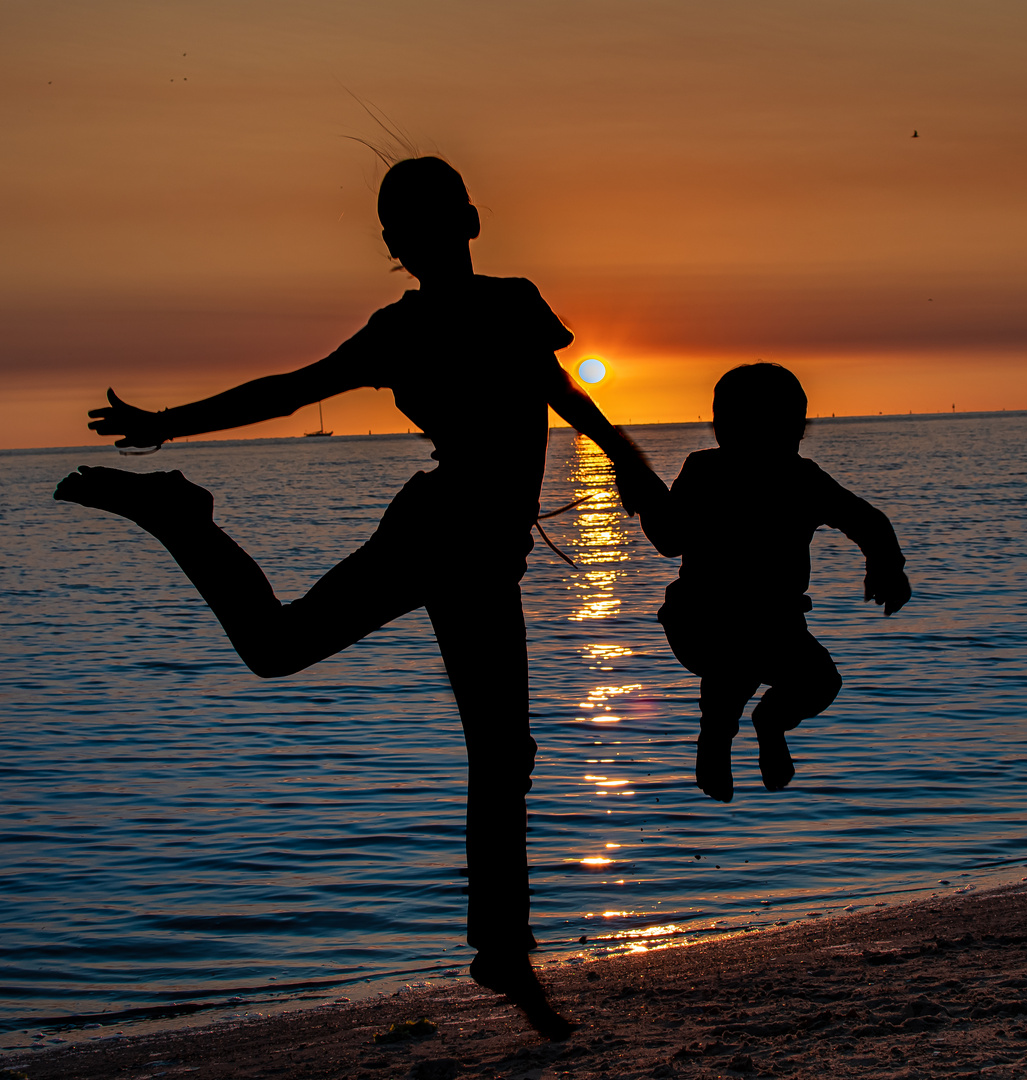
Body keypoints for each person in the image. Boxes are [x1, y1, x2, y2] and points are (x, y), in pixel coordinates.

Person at [54, 156, 657, 1038]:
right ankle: (179, 514)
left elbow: (561, 396)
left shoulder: (494, 307)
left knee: (339, 675)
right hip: (450, 534)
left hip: (471, 544)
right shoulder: (435, 320)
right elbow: (293, 392)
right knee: (476, 737)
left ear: (424, 234)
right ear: (464, 222)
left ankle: (501, 948)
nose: (418, 237)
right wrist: (166, 422)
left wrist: (635, 476)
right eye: (417, 224)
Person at [637, 362, 911, 804]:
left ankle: (770, 722)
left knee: (821, 682)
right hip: (701, 620)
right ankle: (716, 738)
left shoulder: (802, 479)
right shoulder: (707, 472)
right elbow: (671, 539)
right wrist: (649, 502)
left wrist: (887, 566)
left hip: (778, 624)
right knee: (736, 661)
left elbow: (868, 522)